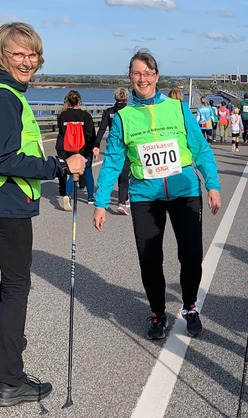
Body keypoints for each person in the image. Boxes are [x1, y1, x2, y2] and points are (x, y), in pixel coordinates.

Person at [0, 22, 86, 407]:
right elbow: (3, 159)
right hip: (6, 199)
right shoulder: (0, 95)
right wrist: (58, 167)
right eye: (18, 54)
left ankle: (6, 342)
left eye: (32, 54)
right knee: (18, 286)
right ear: (0, 54)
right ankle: (11, 382)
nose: (27, 61)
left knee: (11, 281)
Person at [92, 49, 221, 340]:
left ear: (157, 76)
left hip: (184, 191)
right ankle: (157, 313)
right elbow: (113, 161)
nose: (143, 79)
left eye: (148, 73)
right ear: (130, 77)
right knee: (149, 258)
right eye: (137, 73)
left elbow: (200, 148)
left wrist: (212, 184)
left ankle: (189, 306)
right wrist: (101, 203)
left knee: (190, 256)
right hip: (145, 196)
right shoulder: (123, 117)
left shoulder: (177, 108)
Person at [93, 87, 131, 215]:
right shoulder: (130, 111)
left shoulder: (109, 112)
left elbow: (102, 129)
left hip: (114, 146)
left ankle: (107, 199)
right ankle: (122, 201)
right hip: (128, 146)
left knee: (111, 171)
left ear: (115, 98)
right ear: (127, 98)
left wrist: (96, 144)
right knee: (124, 174)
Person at [56, 90, 97, 207]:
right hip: (84, 148)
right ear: (79, 101)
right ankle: (90, 197)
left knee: (73, 172)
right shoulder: (86, 116)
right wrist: (92, 148)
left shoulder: (63, 116)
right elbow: (91, 135)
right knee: (87, 172)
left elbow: (62, 132)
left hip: (69, 148)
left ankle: (67, 194)